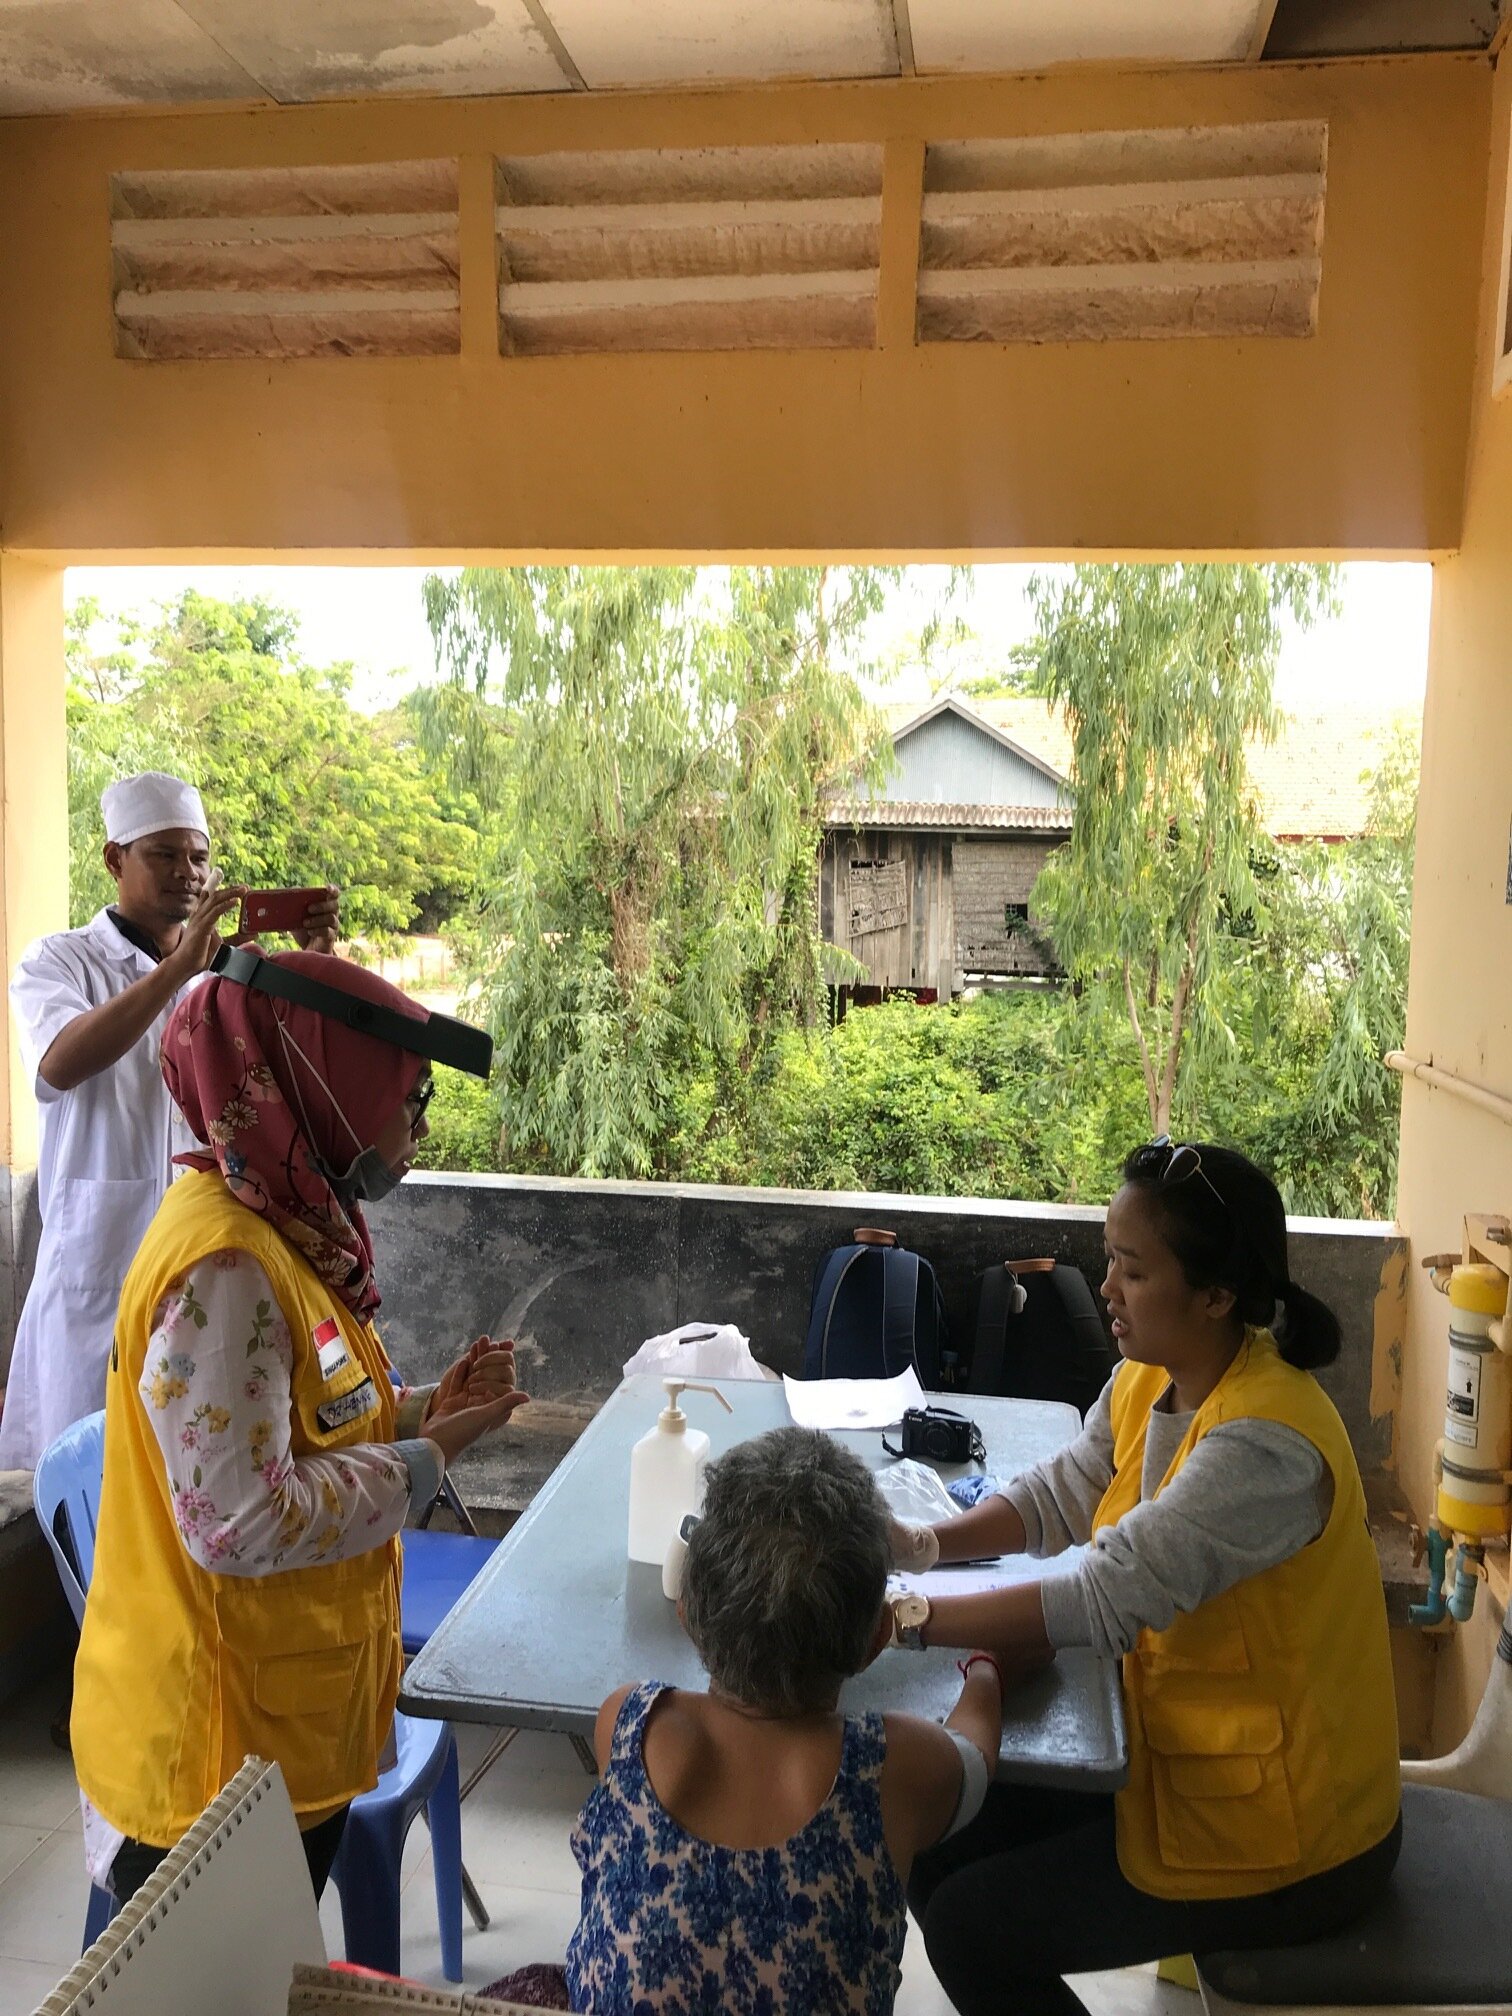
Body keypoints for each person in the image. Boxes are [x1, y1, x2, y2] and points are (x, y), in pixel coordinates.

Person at [887, 1141, 1402, 2016]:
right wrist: (917, 1546)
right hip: (1169, 1761)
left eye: (1131, 1269)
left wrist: (906, 1619)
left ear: (1215, 1295)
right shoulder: (1150, 1378)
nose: (1105, 1288)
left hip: (1286, 1828)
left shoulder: (1267, 1446)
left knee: (976, 1928)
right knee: (938, 1828)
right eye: (1109, 1260)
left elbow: (1104, 1594)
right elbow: (1060, 1493)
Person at [69, 949, 523, 1903]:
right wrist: (425, 1461)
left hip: (273, 1728)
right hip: (215, 1755)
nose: (420, 1130)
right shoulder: (228, 1269)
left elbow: (293, 1422)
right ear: (333, 1090)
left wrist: (417, 1412)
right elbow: (238, 1518)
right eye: (409, 1101)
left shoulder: (280, 1220)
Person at [488, 1427, 1011, 2016]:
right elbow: (975, 1757)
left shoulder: (630, 1724)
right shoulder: (896, 1767)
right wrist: (987, 1667)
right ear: (877, 1640)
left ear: (687, 1610)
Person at [0, 770, 338, 1470]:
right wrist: (176, 969)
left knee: (194, 1475)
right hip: (98, 1268)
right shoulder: (59, 961)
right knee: (82, 1479)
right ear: (113, 859)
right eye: (164, 855)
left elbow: (292, 1083)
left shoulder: (226, 975)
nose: (187, 874)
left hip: (203, 1272)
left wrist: (313, 964)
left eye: (198, 857)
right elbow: (59, 1063)